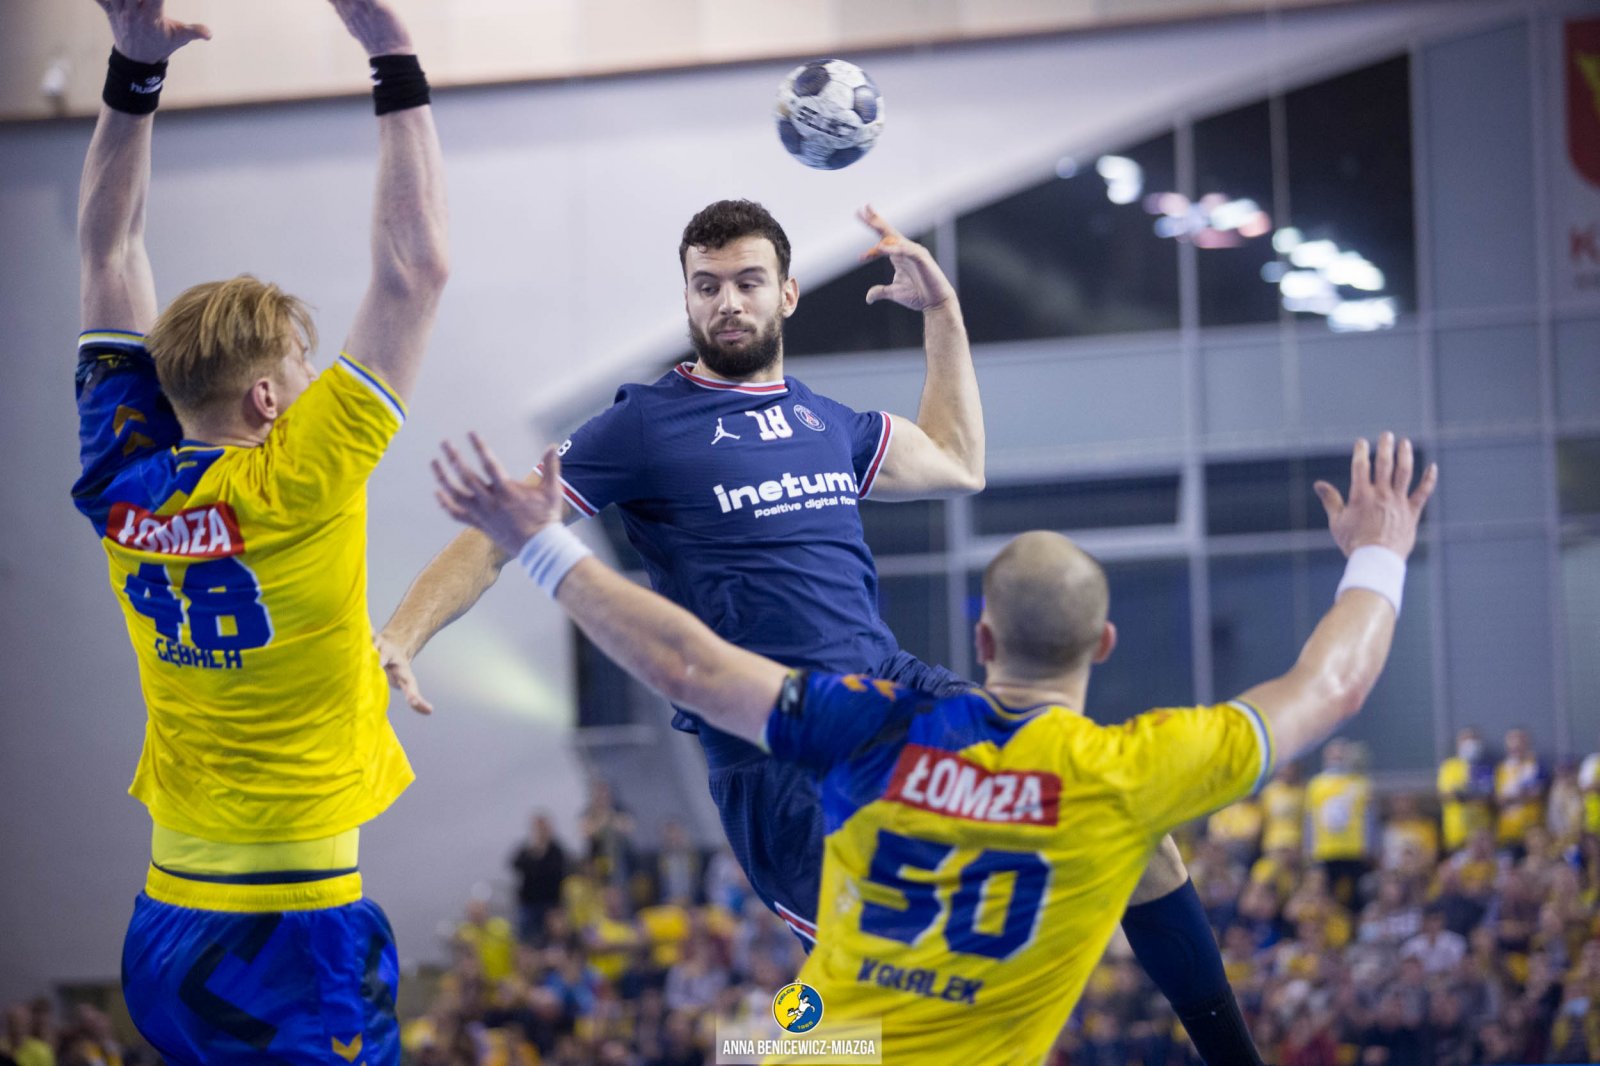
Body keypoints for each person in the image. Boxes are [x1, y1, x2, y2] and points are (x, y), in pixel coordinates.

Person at [383, 200, 1262, 1059]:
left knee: (1142, 835)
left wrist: (944, 314)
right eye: (707, 286)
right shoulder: (642, 425)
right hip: (778, 747)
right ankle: (767, 1050)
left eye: (747, 281)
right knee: (870, 1016)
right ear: (687, 299)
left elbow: (958, 459)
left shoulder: (824, 420)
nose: (728, 302)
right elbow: (496, 534)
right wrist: (399, 637)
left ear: (788, 294)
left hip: (895, 698)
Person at [429, 429, 1436, 1063]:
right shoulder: (1128, 775)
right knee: (1151, 857)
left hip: (831, 1045)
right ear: (1104, 645)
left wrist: (541, 543)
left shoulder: (872, 721)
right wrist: (1379, 554)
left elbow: (687, 666)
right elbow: (1332, 685)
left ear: (981, 641)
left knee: (769, 1038)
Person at [70, 0, 447, 1061]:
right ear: (271, 399)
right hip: (294, 931)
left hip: (165, 921)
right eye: (302, 365)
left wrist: (132, 72)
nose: (315, 376)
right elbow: (414, 270)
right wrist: (393, 52)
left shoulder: (122, 479)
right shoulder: (300, 477)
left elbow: (108, 252)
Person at [1304, 737, 1375, 910]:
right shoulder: (1316, 785)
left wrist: (1370, 846)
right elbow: (1310, 819)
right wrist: (1308, 848)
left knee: (1355, 896)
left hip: (1354, 849)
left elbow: (1369, 818)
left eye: (1341, 754)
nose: (1337, 758)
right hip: (1325, 850)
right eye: (1333, 754)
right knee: (1327, 894)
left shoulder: (1360, 783)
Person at [1436, 726, 1494, 853]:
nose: (1470, 743)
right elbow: (1445, 795)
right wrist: (1469, 795)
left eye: (1473, 739)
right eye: (1465, 739)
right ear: (1458, 743)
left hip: (1481, 836)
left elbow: (1489, 797)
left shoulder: (1486, 767)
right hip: (1456, 834)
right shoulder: (1449, 766)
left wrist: (1464, 794)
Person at [1493, 727, 1546, 860]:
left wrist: (1513, 798)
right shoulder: (1502, 768)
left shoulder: (1536, 765)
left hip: (1532, 830)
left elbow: (1538, 793)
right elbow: (1498, 799)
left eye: (1521, 741)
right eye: (1513, 741)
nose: (1517, 745)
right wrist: (1521, 796)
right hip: (1508, 831)